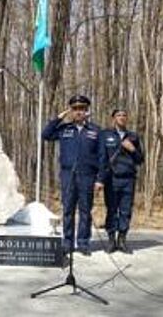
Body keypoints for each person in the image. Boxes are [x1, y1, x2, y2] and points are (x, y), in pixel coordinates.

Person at [42, 94, 103, 256]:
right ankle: (67, 242)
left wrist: (100, 179)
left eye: (82, 109)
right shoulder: (64, 129)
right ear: (71, 111)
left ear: (87, 111)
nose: (78, 112)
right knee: (68, 210)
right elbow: (46, 135)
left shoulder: (95, 131)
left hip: (87, 176)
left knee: (85, 210)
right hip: (68, 175)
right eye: (75, 109)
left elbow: (102, 157)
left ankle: (83, 243)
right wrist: (60, 117)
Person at [99, 109, 144, 254]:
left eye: (124, 115)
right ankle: (111, 240)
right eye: (119, 115)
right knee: (111, 210)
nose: (122, 117)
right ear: (113, 118)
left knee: (125, 211)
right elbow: (101, 158)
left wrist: (132, 149)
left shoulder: (133, 136)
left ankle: (122, 240)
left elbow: (140, 159)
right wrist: (100, 179)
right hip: (111, 178)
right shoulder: (105, 135)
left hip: (128, 179)